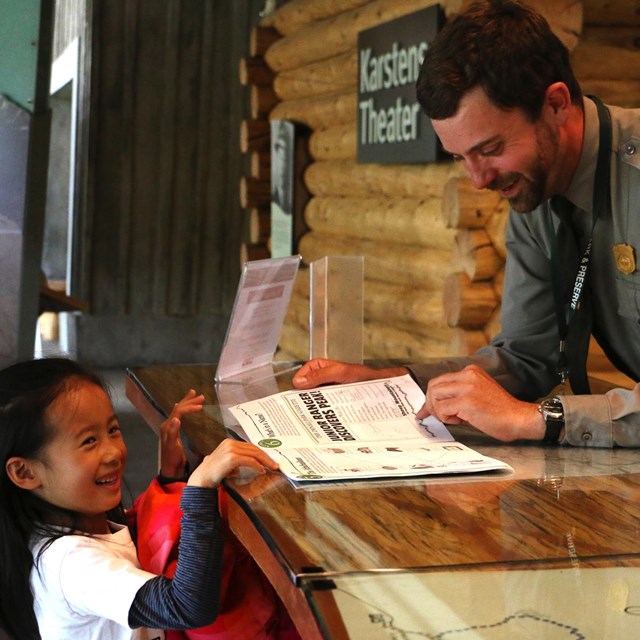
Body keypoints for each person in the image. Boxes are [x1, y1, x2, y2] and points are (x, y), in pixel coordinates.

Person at [292, 0, 640, 448]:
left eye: (491, 148)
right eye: (461, 158)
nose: (478, 181)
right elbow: (527, 359)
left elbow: (526, 408)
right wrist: (392, 383)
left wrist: (538, 419)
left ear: (555, 103)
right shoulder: (535, 192)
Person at [0, 357, 279, 640]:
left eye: (112, 430)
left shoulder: (88, 522)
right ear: (25, 472)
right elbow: (187, 608)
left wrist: (171, 478)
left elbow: (139, 543)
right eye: (89, 441)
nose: (112, 453)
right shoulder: (70, 565)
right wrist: (200, 490)